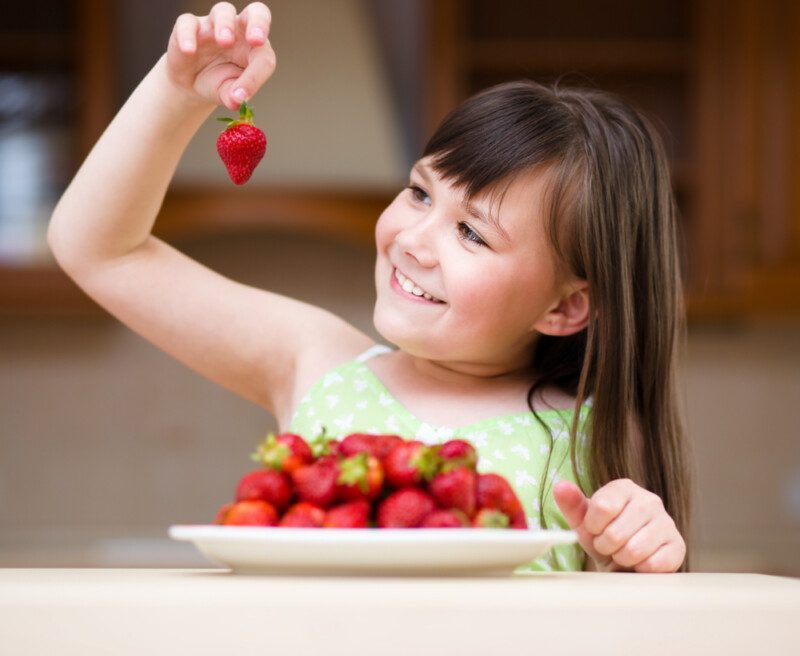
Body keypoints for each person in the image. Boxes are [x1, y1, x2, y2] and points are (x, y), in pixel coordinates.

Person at [47, 2, 690, 573]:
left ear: (566, 305)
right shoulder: (316, 360)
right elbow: (100, 250)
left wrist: (641, 556)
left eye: (472, 233)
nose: (412, 239)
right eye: (419, 192)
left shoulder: (594, 438)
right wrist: (176, 90)